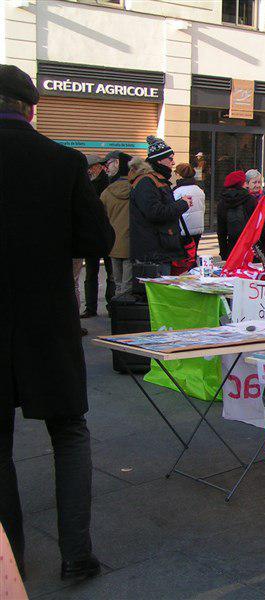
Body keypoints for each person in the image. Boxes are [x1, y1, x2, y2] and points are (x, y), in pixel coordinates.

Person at [0, 64, 115, 580]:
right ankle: (77, 555)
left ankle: (10, 564)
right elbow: (97, 241)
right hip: (46, 318)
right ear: (31, 108)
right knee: (68, 430)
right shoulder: (63, 162)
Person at [129, 136, 192, 272]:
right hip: (154, 252)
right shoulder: (147, 181)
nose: (173, 162)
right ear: (159, 160)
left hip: (161, 249)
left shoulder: (157, 179)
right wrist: (182, 204)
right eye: (170, 158)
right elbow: (155, 212)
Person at [81, 154, 114, 317]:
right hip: (93, 233)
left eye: (91, 167)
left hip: (105, 232)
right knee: (91, 272)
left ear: (98, 167)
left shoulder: (107, 184)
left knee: (108, 272)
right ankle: (91, 307)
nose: (89, 171)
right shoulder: (86, 183)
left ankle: (109, 305)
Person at [100, 152, 134, 296]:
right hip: (131, 242)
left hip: (113, 243)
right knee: (128, 285)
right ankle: (124, 305)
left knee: (117, 283)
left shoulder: (107, 192)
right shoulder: (136, 189)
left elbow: (101, 217)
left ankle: (117, 305)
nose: (106, 168)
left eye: (107, 164)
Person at [216, 170, 263, 260]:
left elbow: (221, 231)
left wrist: (223, 252)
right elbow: (259, 225)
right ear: (242, 184)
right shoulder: (250, 200)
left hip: (232, 246)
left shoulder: (222, 202)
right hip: (250, 246)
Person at [172, 162, 206, 249]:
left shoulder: (177, 191)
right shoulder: (199, 190)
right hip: (197, 228)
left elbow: (173, 210)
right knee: (192, 252)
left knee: (182, 254)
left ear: (178, 174)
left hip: (183, 229)